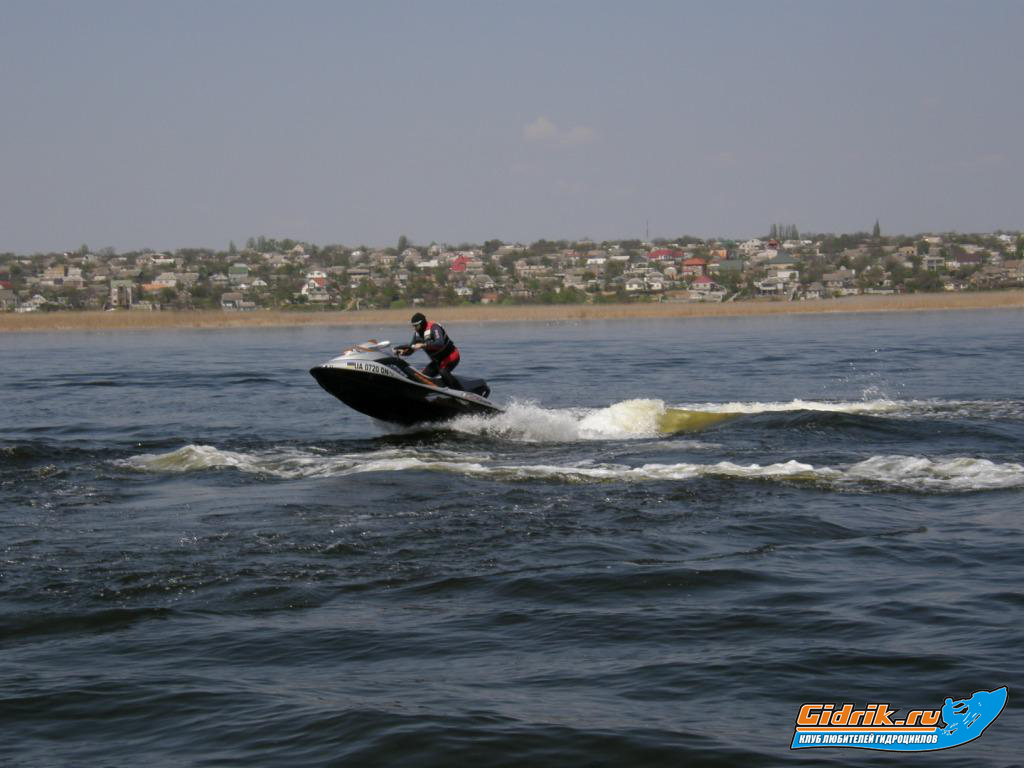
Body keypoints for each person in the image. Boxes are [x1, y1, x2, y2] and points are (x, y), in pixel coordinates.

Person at [398, 312, 462, 389]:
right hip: (437, 362)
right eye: (413, 326)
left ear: (422, 323)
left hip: (451, 356)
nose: (414, 328)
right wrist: (402, 353)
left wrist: (423, 345)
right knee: (422, 378)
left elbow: (440, 343)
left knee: (443, 372)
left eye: (416, 326)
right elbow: (411, 349)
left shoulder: (434, 327)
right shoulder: (417, 334)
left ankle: (460, 391)